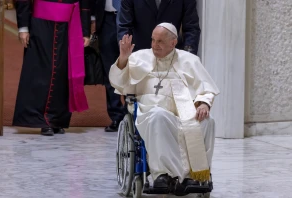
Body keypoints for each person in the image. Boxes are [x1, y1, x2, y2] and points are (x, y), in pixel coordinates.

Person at [109, 23, 220, 188]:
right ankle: (163, 174)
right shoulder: (140, 58)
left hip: (184, 112)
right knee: (159, 116)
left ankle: (193, 177)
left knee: (206, 122)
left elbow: (206, 87)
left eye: (160, 41)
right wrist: (123, 58)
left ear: (173, 42)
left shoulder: (190, 60)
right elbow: (118, 82)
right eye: (153, 40)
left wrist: (204, 103)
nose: (155, 45)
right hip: (151, 111)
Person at [13, 0, 91, 136]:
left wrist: (85, 31)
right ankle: (42, 120)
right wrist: (23, 27)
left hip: (69, 24)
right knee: (42, 72)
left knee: (63, 72)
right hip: (41, 24)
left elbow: (85, 2)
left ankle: (57, 120)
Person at [90, 0, 126, 132]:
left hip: (131, 18)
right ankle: (116, 116)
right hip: (106, 19)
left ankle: (131, 113)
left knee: (133, 66)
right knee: (110, 69)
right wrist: (93, 17)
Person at [117, 0, 201, 54]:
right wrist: (128, 53)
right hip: (140, 55)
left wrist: (187, 55)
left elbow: (191, 28)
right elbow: (124, 26)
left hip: (172, 55)